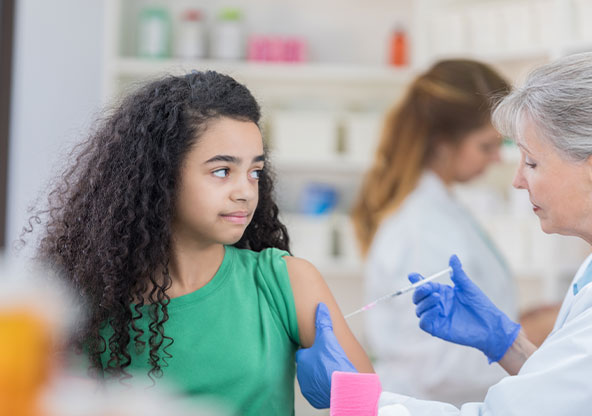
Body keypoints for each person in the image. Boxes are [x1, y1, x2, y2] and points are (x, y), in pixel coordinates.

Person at [22, 70, 373, 414]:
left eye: (255, 172)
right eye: (222, 171)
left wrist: (351, 397)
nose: (245, 192)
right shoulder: (91, 304)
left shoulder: (286, 282)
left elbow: (375, 409)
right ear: (162, 177)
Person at [298, 52, 592, 414]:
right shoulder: (424, 223)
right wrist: (508, 345)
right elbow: (556, 395)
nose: (516, 179)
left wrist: (357, 401)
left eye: (531, 162)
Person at [351, 59, 518, 405]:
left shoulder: (441, 210)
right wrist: (531, 343)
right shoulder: (422, 229)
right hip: (422, 404)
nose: (497, 160)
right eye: (486, 146)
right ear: (443, 143)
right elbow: (439, 368)